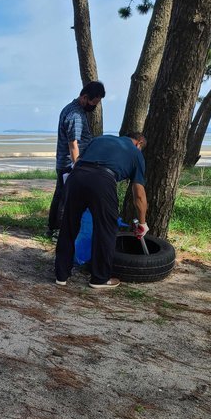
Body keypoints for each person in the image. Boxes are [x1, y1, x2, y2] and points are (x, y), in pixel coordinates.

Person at [55, 132, 148, 289]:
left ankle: (61, 275)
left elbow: (77, 161)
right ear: (139, 143)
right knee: (106, 228)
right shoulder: (136, 154)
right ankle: (99, 278)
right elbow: (139, 195)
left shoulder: (101, 139)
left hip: (76, 176)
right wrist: (143, 223)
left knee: (69, 225)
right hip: (103, 180)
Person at [47, 81, 106, 240]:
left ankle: (52, 228)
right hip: (69, 164)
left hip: (65, 162)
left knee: (60, 195)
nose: (94, 106)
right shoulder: (75, 115)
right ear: (85, 97)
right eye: (94, 102)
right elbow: (73, 144)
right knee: (66, 198)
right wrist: (77, 166)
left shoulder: (72, 109)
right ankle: (58, 231)